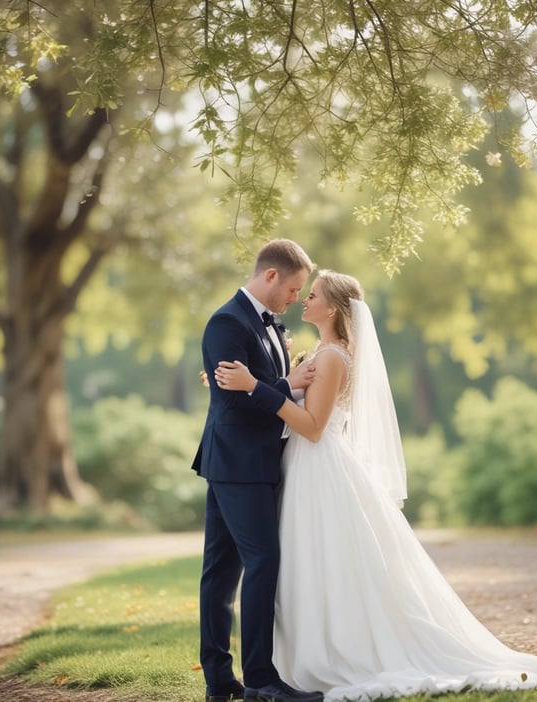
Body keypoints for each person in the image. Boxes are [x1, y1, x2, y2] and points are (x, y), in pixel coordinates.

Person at [214, 270, 537, 702]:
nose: (303, 300)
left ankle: (334, 652)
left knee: (324, 560)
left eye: (311, 295)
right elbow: (295, 403)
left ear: (332, 308)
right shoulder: (324, 354)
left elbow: (312, 427)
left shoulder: (331, 358)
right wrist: (259, 388)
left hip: (318, 466)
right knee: (311, 561)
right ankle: (303, 654)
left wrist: (255, 387)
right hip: (307, 469)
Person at [192, 239, 324, 702]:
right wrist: (287, 383)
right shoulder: (227, 322)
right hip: (238, 463)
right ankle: (261, 680)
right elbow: (233, 399)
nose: (295, 297)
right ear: (271, 276)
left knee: (222, 571)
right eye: (292, 288)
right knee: (260, 561)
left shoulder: (270, 323)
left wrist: (280, 380)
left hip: (255, 461)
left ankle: (220, 681)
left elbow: (257, 389)